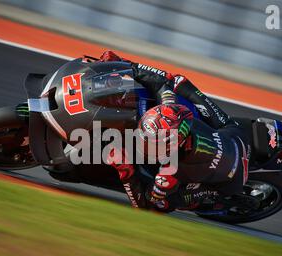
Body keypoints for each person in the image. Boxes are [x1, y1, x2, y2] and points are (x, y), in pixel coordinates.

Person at [99, 51, 250, 212]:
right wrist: (123, 64)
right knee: (179, 82)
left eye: (149, 143)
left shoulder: (169, 172)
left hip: (231, 179)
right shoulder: (169, 108)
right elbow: (164, 80)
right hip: (234, 133)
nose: (142, 143)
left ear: (170, 148)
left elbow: (143, 205)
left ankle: (215, 198)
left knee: (165, 204)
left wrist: (126, 171)